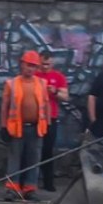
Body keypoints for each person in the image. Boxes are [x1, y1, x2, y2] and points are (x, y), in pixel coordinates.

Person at [0, 52, 52, 201]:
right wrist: (3, 126)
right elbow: (5, 107)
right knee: (14, 158)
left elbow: (46, 104)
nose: (31, 69)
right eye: (29, 65)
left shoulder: (41, 84)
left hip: (37, 128)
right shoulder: (12, 83)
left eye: (34, 66)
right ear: (22, 64)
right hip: (17, 128)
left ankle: (30, 188)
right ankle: (12, 189)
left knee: (34, 159)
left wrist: (48, 125)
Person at [36, 55, 71, 190]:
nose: (45, 67)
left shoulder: (58, 77)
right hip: (35, 117)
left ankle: (48, 182)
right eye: (43, 64)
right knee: (32, 150)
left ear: (52, 64)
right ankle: (29, 182)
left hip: (51, 118)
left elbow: (65, 96)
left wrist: (55, 91)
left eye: (48, 64)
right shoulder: (34, 75)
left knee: (47, 150)